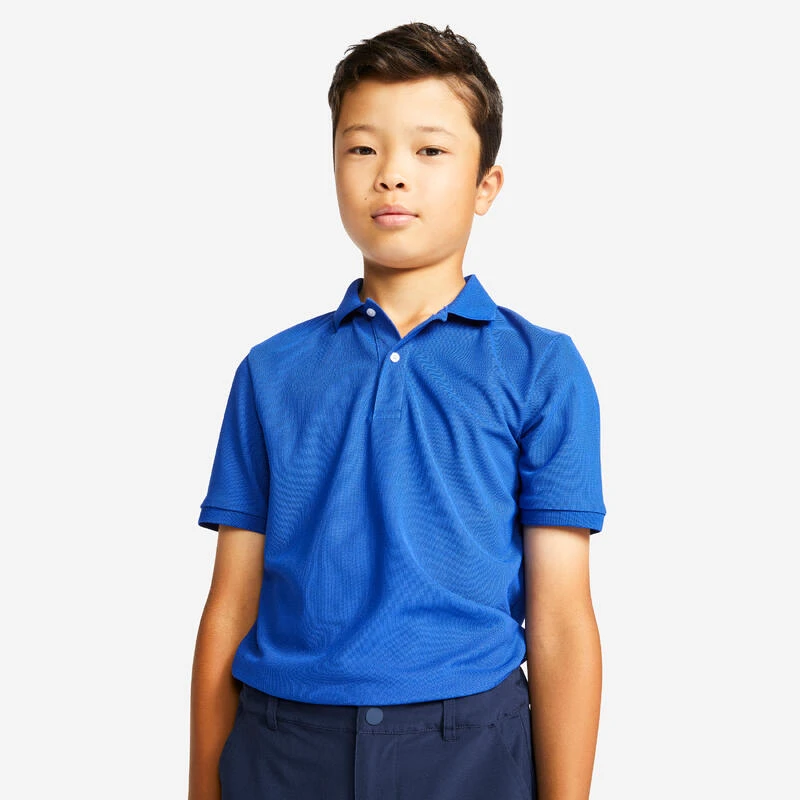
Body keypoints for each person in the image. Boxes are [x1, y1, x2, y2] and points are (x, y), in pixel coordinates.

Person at [188, 21, 606, 800]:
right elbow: (230, 607)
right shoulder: (271, 372)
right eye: (361, 148)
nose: (391, 176)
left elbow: (561, 621)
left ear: (486, 186)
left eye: (430, 150)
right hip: (284, 747)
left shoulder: (541, 369)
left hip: (468, 749)